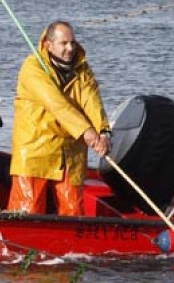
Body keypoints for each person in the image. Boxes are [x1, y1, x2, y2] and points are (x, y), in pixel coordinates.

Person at [7, 21, 110, 216]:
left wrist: (103, 132)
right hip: (36, 150)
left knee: (73, 211)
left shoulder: (82, 68)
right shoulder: (32, 68)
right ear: (48, 44)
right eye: (64, 43)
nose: (70, 48)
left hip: (70, 152)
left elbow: (92, 101)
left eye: (72, 42)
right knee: (27, 211)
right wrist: (87, 131)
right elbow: (56, 104)